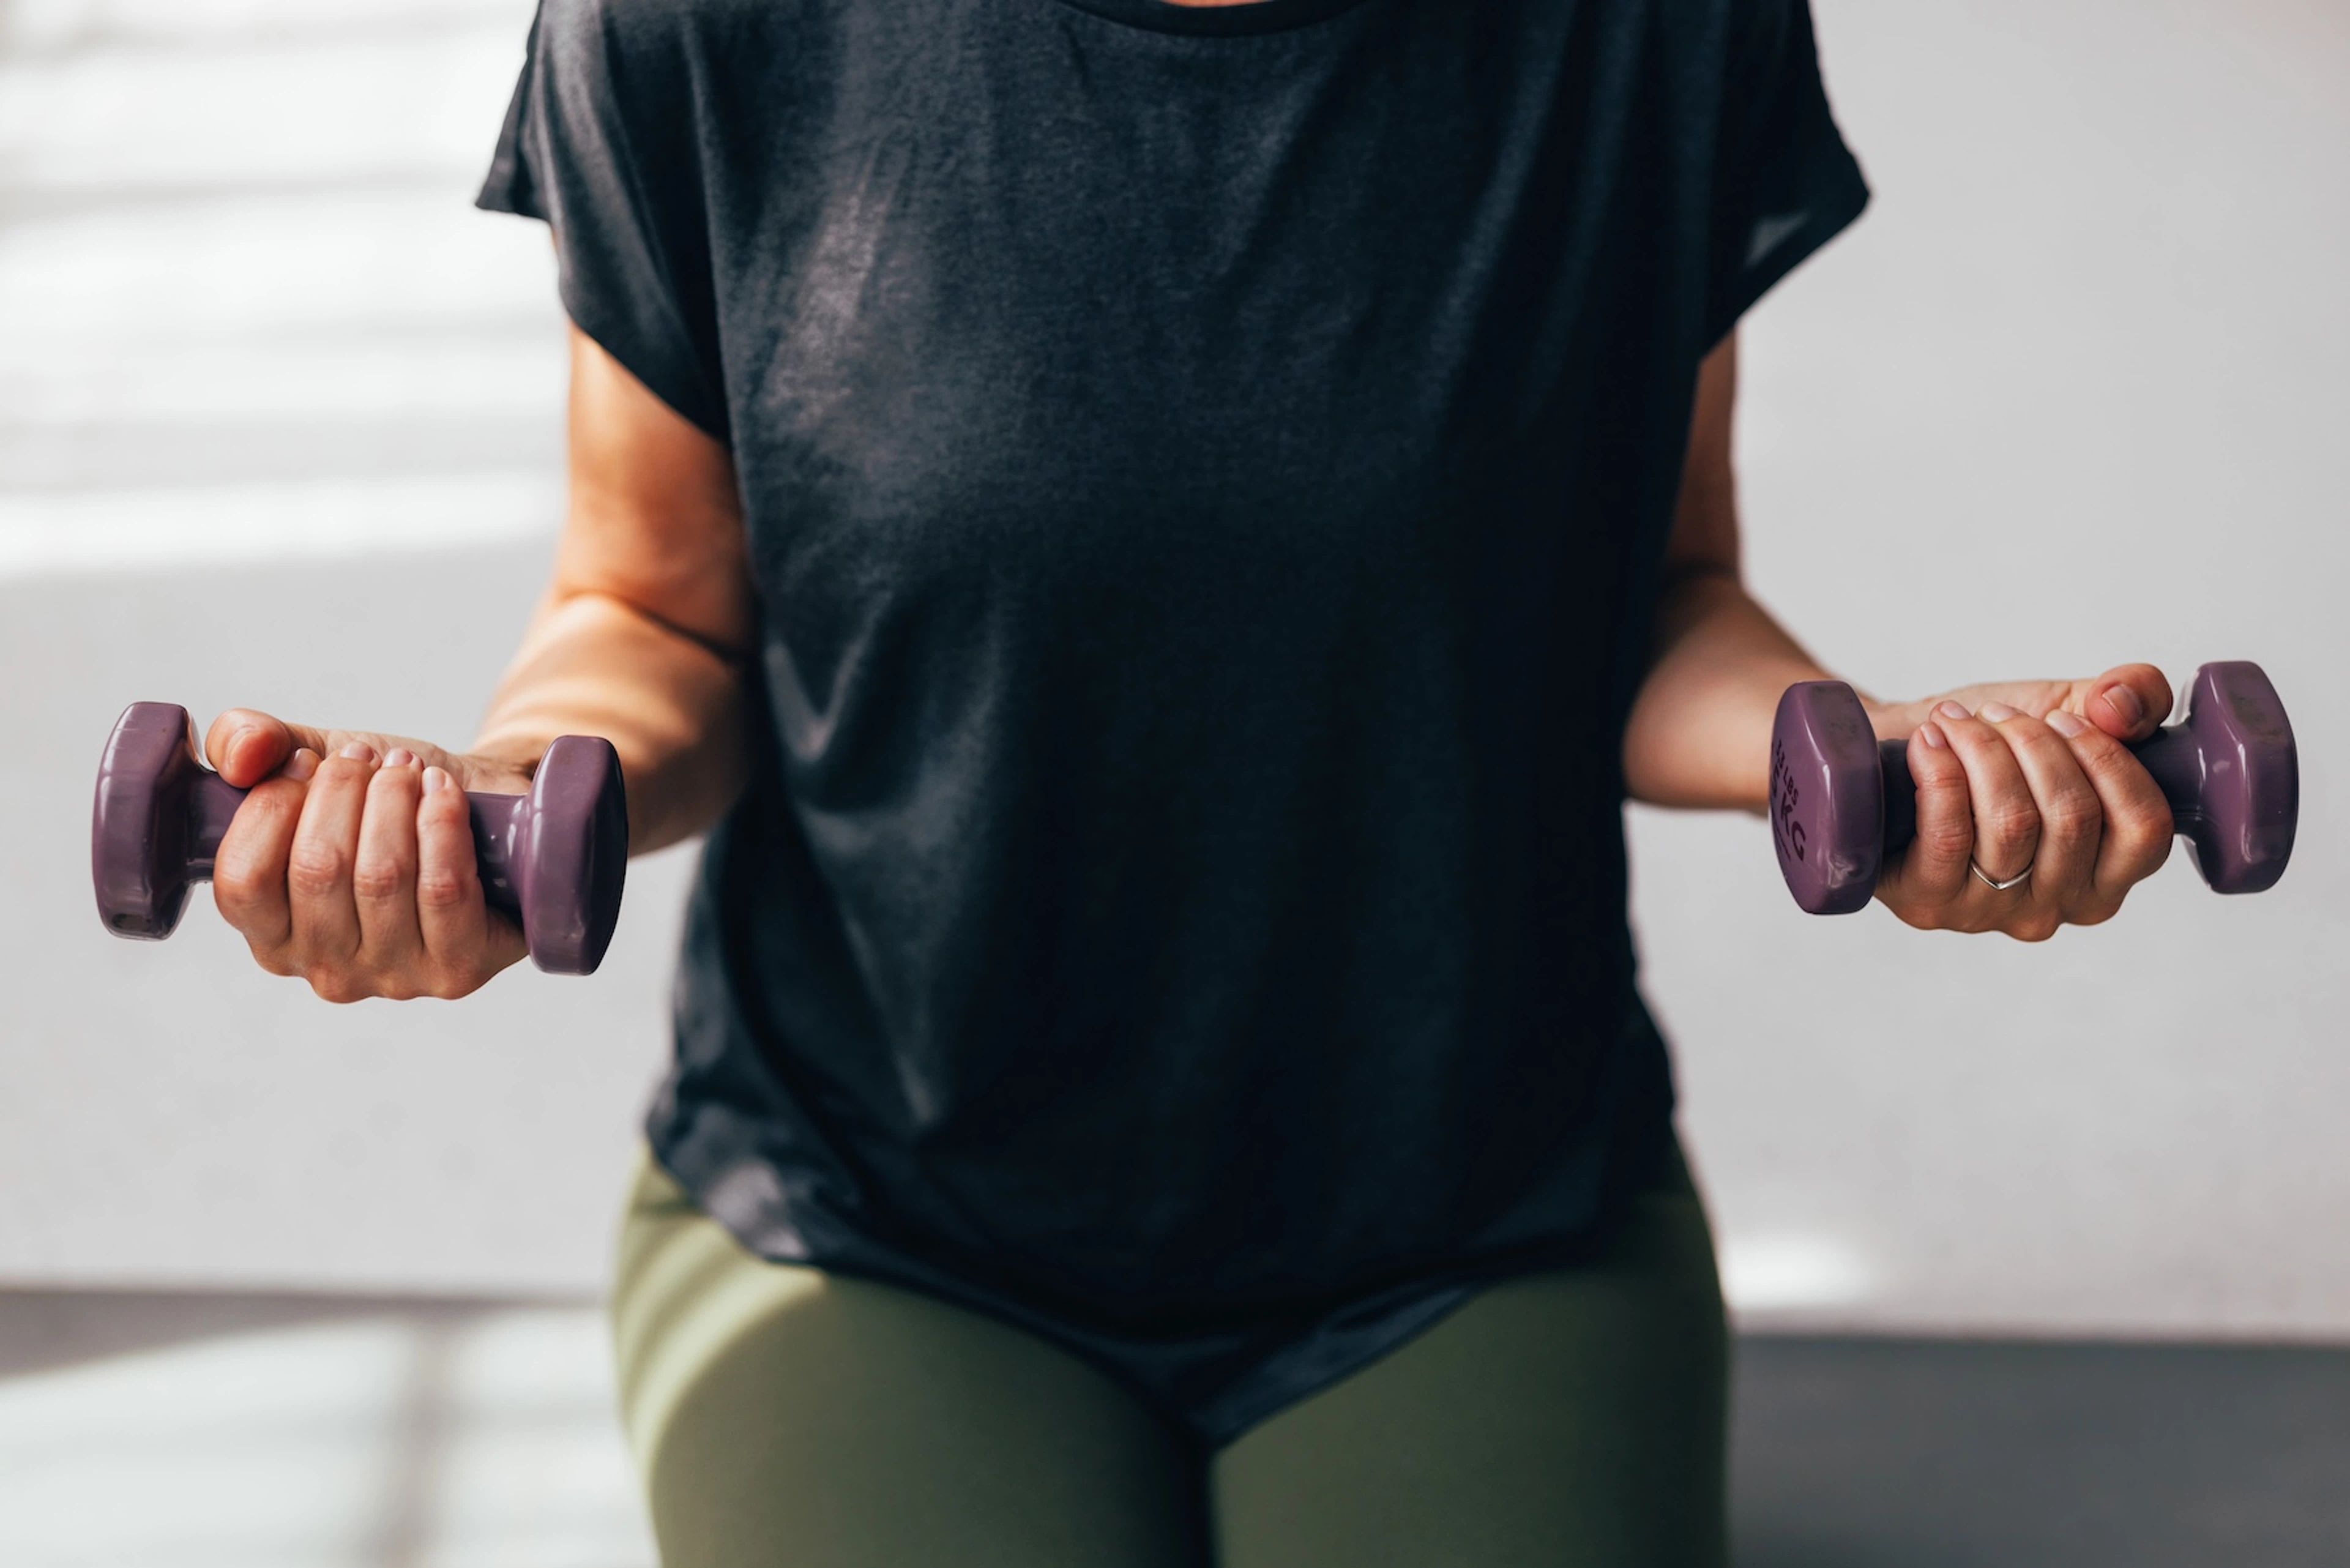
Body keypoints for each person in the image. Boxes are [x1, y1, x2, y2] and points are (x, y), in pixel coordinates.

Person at [198, 0, 2182, 1561]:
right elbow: (651, 609)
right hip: (874, 1202)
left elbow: (1650, 600)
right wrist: (497, 801)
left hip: (1477, 1203)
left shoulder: (1647, 26)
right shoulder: (703, 24)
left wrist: (1888, 770)